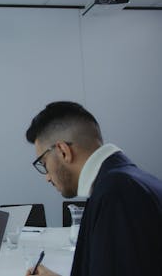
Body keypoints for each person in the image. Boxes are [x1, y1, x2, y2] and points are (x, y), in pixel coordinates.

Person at [24, 101, 162, 276]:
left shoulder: (116, 195)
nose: (47, 177)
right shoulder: (123, 181)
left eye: (44, 164)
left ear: (63, 151)